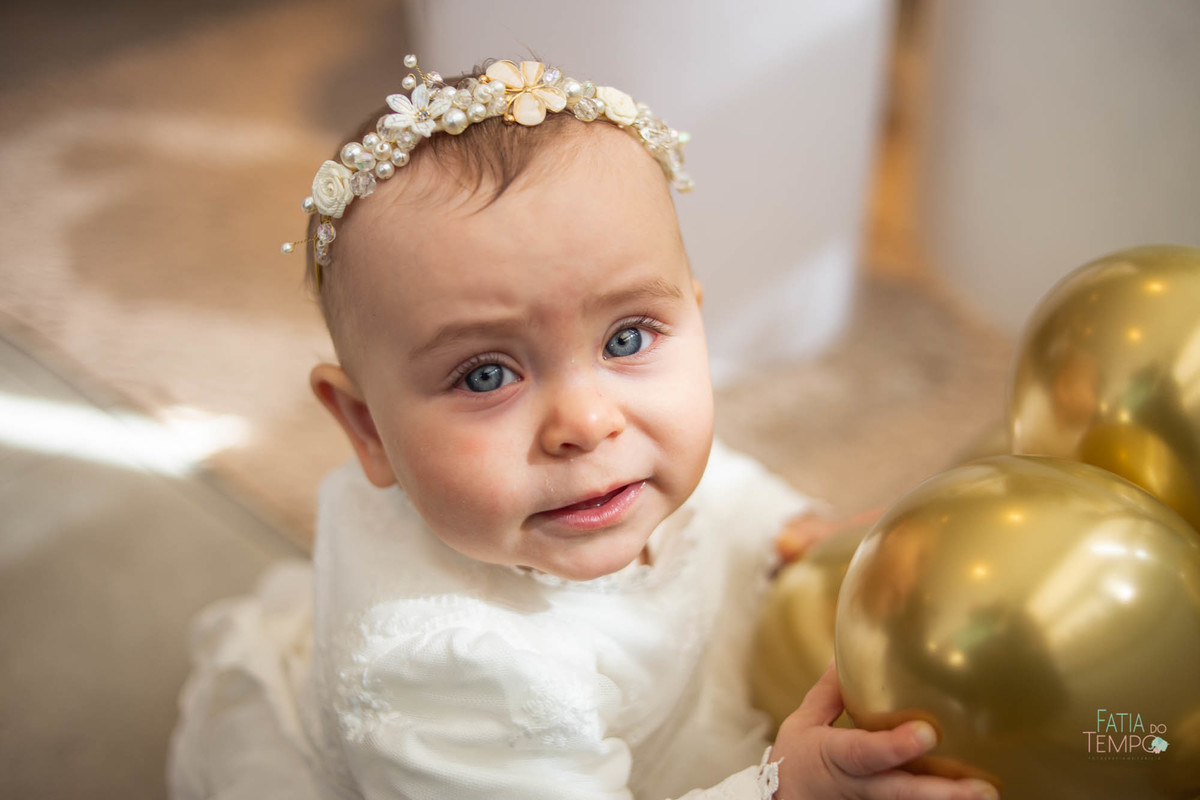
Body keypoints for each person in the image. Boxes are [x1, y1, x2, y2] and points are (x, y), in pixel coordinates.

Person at [169, 55, 999, 800]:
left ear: (696, 323)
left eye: (627, 339)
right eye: (487, 374)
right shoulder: (456, 677)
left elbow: (726, 486)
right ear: (368, 428)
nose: (588, 422)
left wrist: (788, 528)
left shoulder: (620, 466)